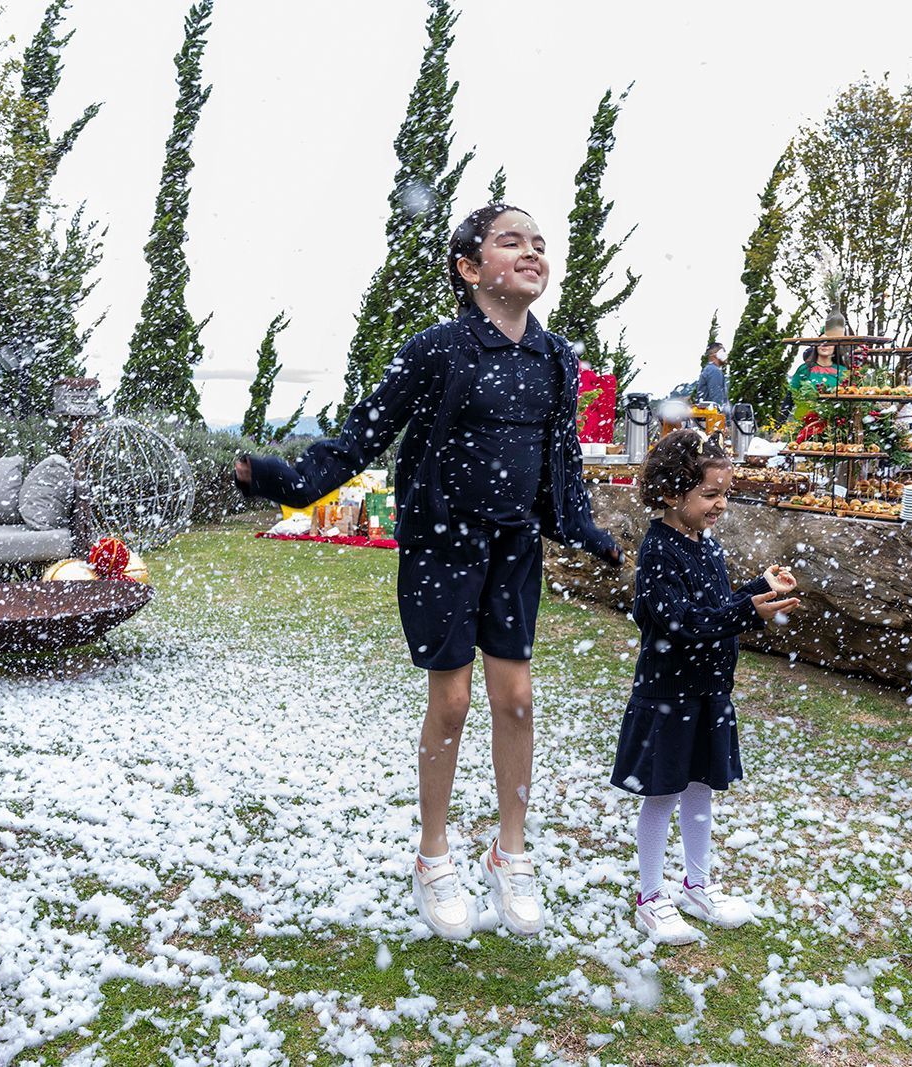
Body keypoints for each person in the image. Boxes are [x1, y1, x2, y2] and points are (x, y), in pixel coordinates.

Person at [233, 203, 622, 942]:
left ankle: (510, 852)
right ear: (470, 268)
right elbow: (361, 435)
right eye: (511, 241)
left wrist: (582, 528)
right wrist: (288, 482)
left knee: (517, 698)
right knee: (452, 701)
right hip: (443, 545)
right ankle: (434, 854)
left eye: (539, 244)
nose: (532, 252)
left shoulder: (556, 357)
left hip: (513, 547)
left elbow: (562, 458)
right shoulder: (436, 349)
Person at [611, 430, 799, 945]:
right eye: (710, 494)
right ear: (672, 493)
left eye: (725, 494)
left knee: (699, 788)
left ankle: (697, 885)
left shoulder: (704, 544)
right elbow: (682, 622)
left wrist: (759, 589)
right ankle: (651, 896)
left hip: (709, 691)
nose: (721, 505)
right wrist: (748, 612)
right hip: (668, 693)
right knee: (663, 793)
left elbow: (715, 608)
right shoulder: (658, 551)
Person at [695, 343, 730, 415]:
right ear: (714, 355)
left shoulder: (709, 369)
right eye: (723, 351)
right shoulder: (714, 371)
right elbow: (717, 401)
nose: (726, 355)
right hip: (712, 418)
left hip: (706, 416)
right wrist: (723, 418)